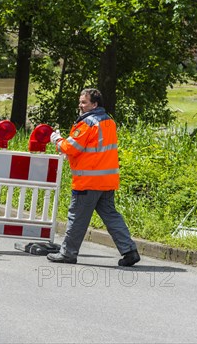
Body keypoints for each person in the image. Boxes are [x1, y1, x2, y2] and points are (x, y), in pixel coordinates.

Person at [47, 88, 140, 267]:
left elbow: (71, 148)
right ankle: (130, 251)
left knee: (77, 218)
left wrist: (57, 140)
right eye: (80, 101)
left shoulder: (87, 124)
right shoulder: (109, 122)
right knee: (111, 216)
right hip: (107, 180)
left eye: (84, 102)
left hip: (88, 181)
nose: (80, 105)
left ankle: (67, 254)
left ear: (94, 104)